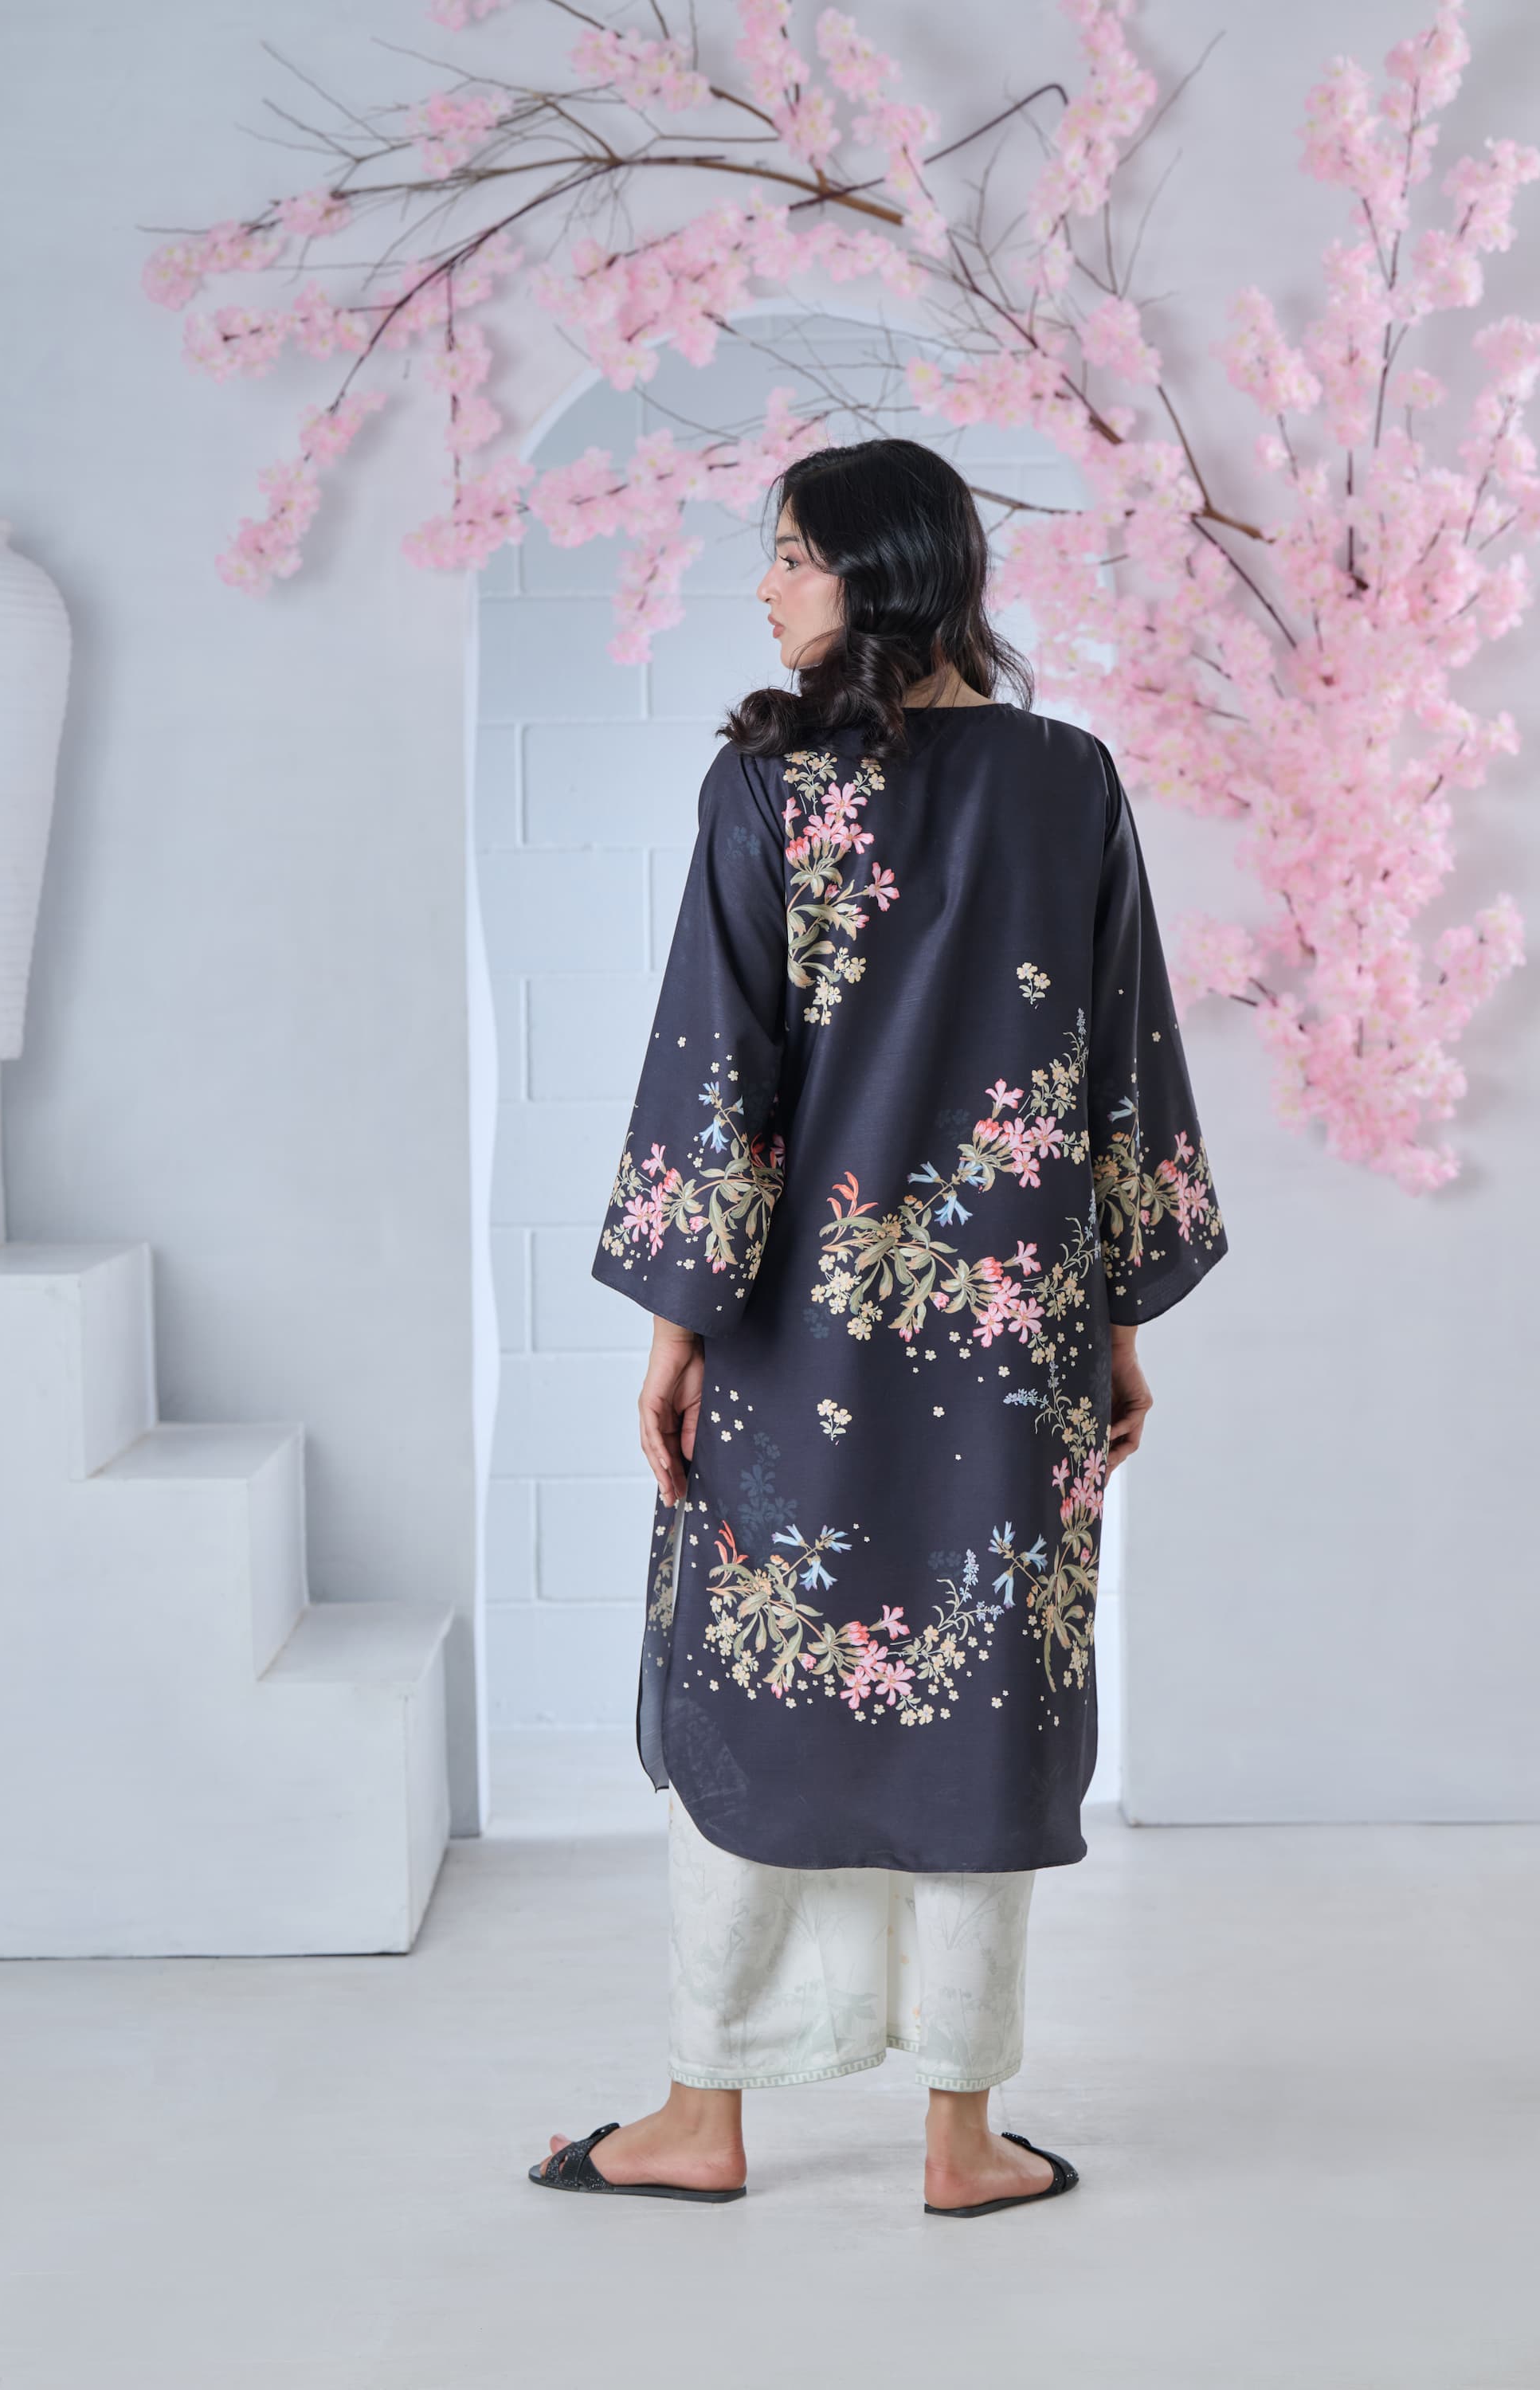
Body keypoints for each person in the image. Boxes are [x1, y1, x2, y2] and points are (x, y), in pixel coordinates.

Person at [530, 437, 1228, 2216]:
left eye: (792, 555)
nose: (766, 587)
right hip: (1013, 1343)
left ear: (880, 570)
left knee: (756, 1686)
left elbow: (719, 1072)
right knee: (980, 1699)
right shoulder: (1069, 779)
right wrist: (1114, 1324)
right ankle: (961, 2137)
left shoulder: (765, 789)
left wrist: (676, 1331)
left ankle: (703, 2115)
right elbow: (1122, 1072)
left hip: (799, 1336)